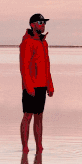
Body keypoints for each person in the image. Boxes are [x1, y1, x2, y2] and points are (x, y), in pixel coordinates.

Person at [19, 13, 54, 152]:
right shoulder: (27, 42)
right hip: (31, 86)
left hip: (42, 85)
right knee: (28, 116)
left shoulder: (43, 42)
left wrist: (50, 85)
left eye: (44, 22)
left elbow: (47, 66)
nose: (43, 25)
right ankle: (25, 147)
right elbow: (24, 67)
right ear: (32, 25)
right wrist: (28, 86)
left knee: (39, 117)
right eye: (40, 22)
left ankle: (39, 146)